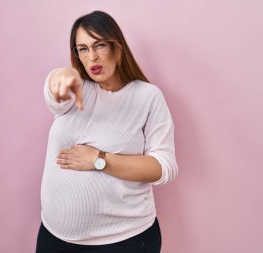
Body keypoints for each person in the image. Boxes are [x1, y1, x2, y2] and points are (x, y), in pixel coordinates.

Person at [36, 10, 178, 253]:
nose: (91, 57)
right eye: (82, 49)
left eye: (99, 45)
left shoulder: (147, 97)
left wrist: (99, 159)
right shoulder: (76, 90)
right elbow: (55, 92)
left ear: (117, 47)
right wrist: (61, 76)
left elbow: (164, 167)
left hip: (124, 241)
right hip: (54, 238)